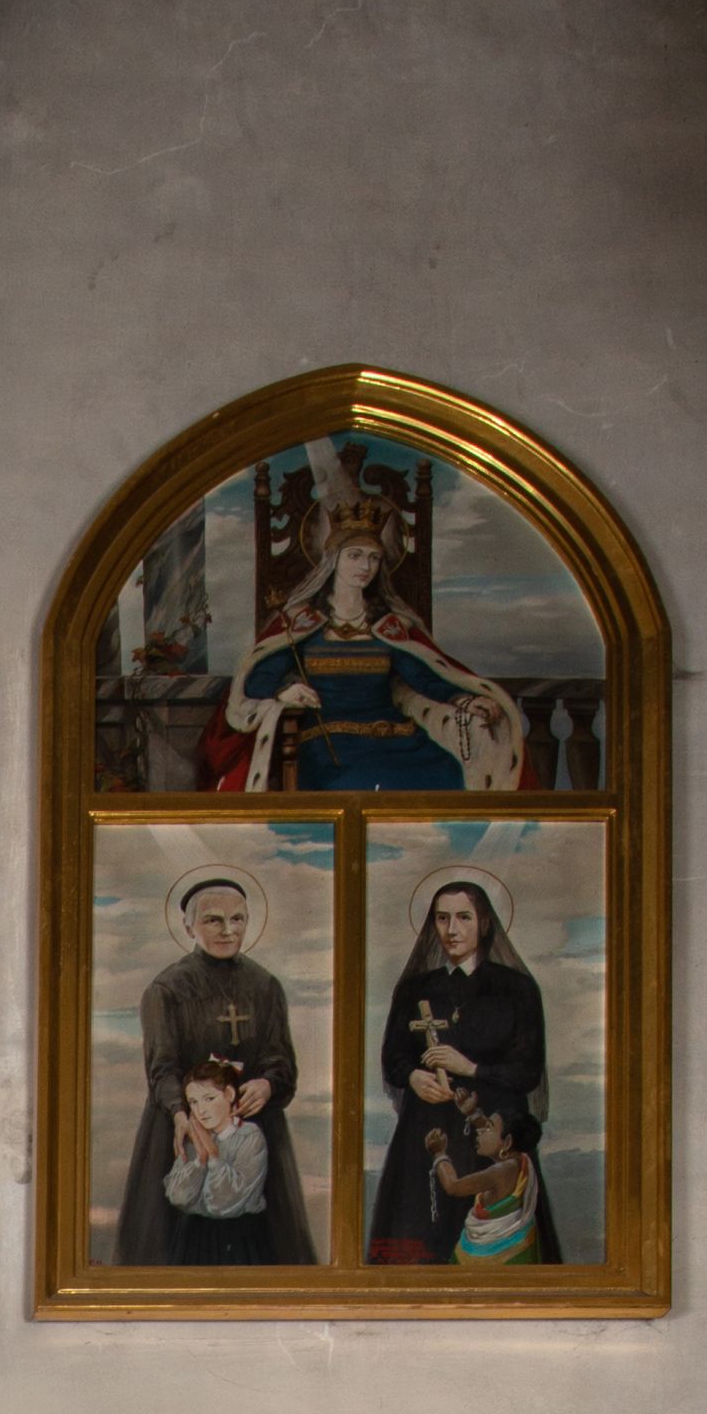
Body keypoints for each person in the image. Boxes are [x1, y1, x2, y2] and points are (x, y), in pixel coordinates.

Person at [228, 500, 523, 793]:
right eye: (354, 556)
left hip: (396, 737)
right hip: (328, 742)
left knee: (446, 771)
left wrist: (463, 700)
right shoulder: (303, 623)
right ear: (333, 560)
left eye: (374, 558)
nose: (365, 567)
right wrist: (285, 690)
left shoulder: (387, 625)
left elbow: (423, 677)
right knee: (358, 782)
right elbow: (257, 680)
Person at [112, 874, 315, 1263]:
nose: (228, 930)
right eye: (214, 920)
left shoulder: (265, 985)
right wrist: (181, 1114)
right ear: (189, 927)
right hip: (187, 1123)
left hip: (253, 1126)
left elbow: (281, 1060)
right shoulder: (167, 989)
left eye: (237, 919)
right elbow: (162, 1069)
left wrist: (268, 1085)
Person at [368, 875, 561, 1264]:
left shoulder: (517, 989)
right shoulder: (415, 989)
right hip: (427, 1129)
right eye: (442, 919)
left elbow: (527, 1072)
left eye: (463, 917)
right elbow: (393, 1058)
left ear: (484, 923)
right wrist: (413, 1077)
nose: (451, 930)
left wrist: (470, 1068)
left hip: (490, 1130)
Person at [162, 1062, 280, 1267]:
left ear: (229, 1094)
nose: (201, 1110)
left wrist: (214, 1157)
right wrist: (200, 1161)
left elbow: (223, 1204)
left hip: (238, 1237)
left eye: (209, 1099)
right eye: (193, 1102)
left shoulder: (249, 1136)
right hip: (194, 1237)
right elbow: (177, 1196)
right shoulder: (192, 1139)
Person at [428, 1100, 542, 1266]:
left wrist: (439, 1154)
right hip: (513, 1245)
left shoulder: (501, 1171)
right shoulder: (519, 1161)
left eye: (488, 1128)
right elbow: (497, 1138)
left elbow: (453, 1186)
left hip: (493, 1253)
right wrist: (472, 1112)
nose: (479, 1132)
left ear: (508, 1142)